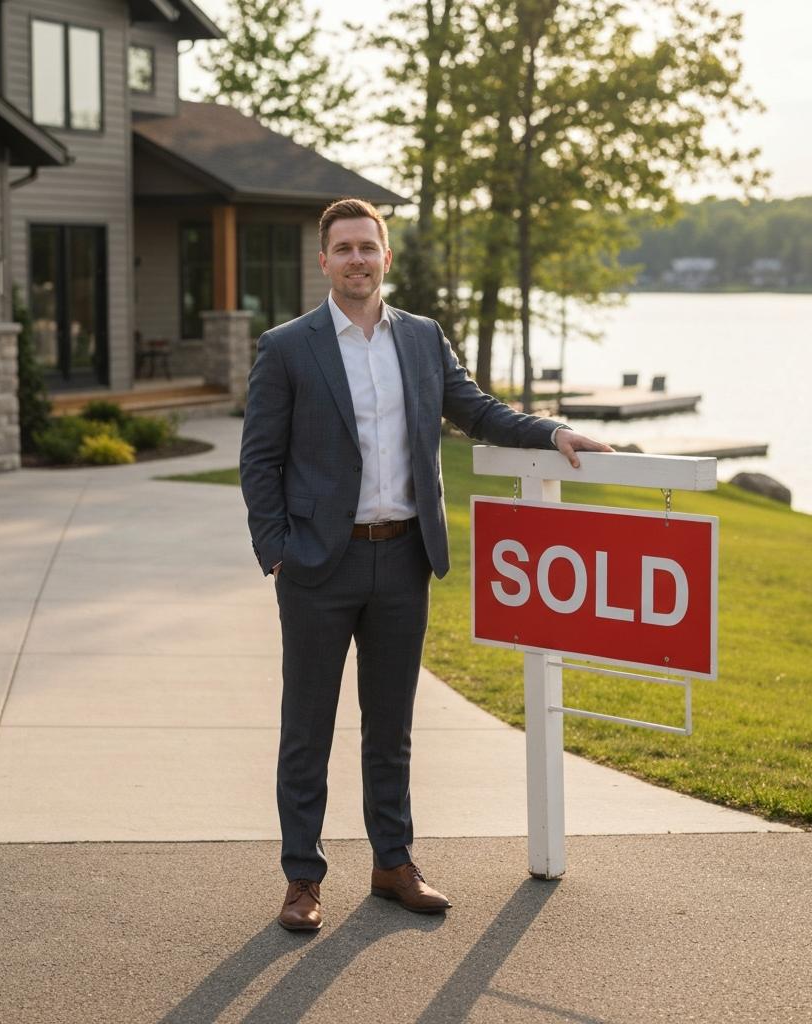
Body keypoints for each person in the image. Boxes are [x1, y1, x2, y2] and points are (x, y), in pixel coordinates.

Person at [240, 198, 612, 932]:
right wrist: (277, 550)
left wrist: (552, 430)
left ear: (386, 256)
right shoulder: (288, 347)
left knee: (392, 726)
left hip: (405, 558)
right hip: (319, 565)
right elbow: (259, 459)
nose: (356, 260)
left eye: (367, 247)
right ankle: (302, 879)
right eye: (342, 249)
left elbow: (478, 411)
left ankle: (392, 861)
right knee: (307, 726)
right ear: (324, 262)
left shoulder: (421, 338)